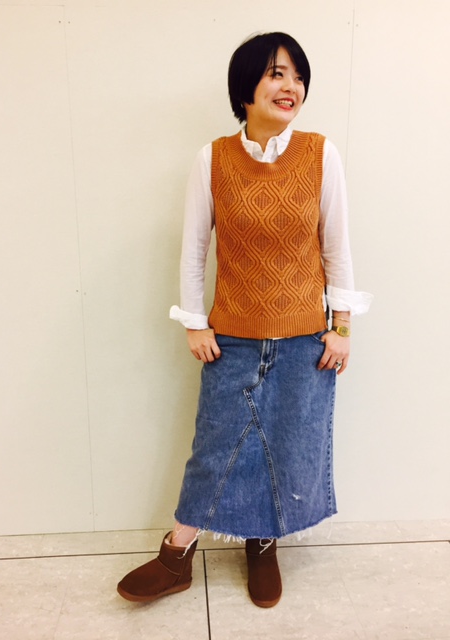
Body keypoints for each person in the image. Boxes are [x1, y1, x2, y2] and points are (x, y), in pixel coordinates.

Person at [117, 31, 372, 608]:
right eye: (277, 73)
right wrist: (195, 322)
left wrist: (342, 327)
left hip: (306, 338)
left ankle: (262, 545)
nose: (291, 87)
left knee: (286, 447)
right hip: (231, 336)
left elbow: (337, 248)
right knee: (216, 446)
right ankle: (176, 555)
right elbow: (193, 250)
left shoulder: (321, 154)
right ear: (245, 87)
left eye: (298, 77)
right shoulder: (212, 158)